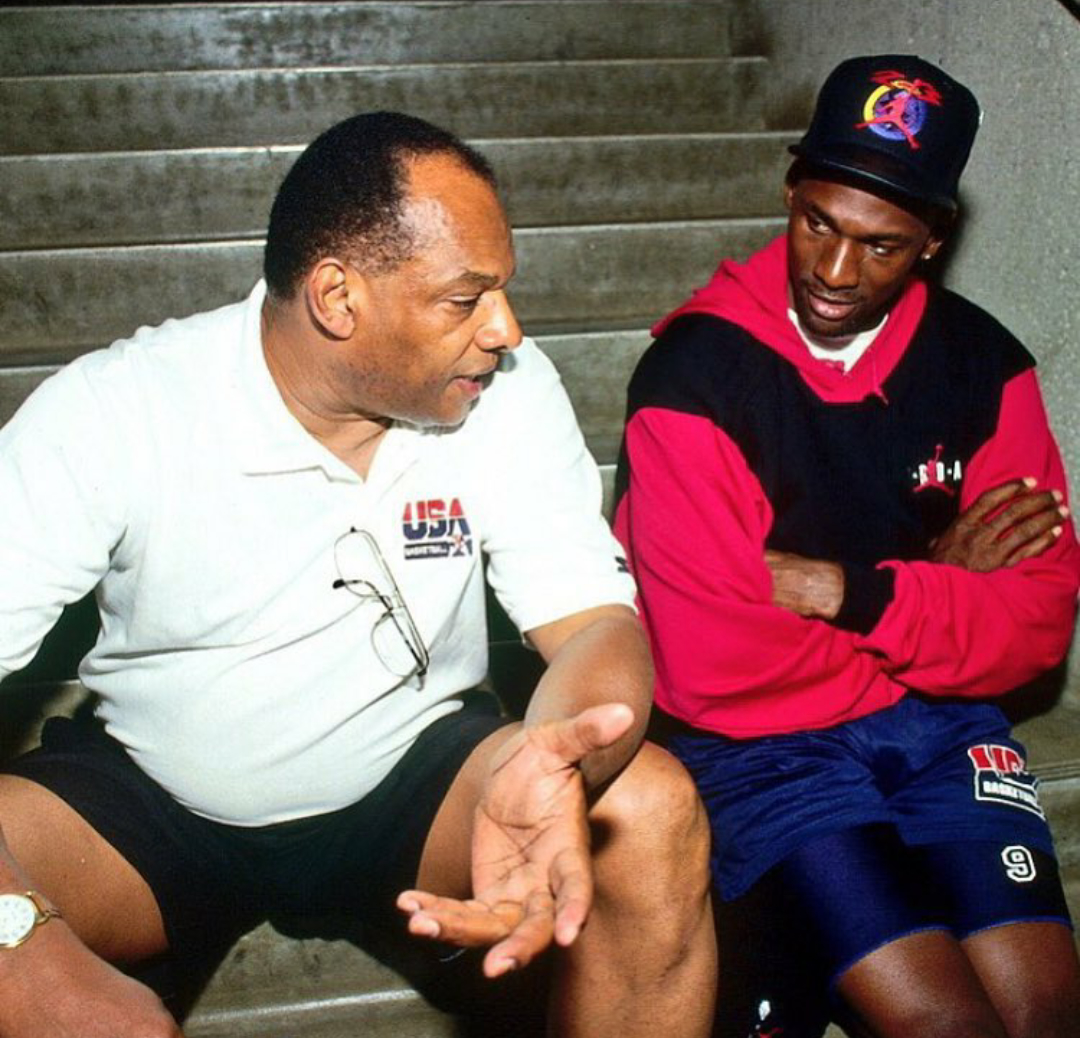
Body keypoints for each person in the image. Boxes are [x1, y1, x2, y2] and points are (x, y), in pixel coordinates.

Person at [0, 111, 716, 1038]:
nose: (506, 329)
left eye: (501, 291)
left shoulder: (502, 384)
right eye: (466, 300)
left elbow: (594, 628)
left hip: (416, 774)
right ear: (338, 299)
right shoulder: (115, 412)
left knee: (652, 808)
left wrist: (559, 773)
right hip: (156, 794)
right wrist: (22, 946)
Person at [614, 55, 1080, 1038]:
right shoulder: (694, 378)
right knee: (944, 1022)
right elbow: (711, 669)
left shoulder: (985, 368)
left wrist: (843, 592)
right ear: (790, 190)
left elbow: (1036, 631)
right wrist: (939, 596)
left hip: (945, 730)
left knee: (1042, 1011)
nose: (833, 271)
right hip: (766, 751)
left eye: (879, 245)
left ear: (933, 242)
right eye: (817, 222)